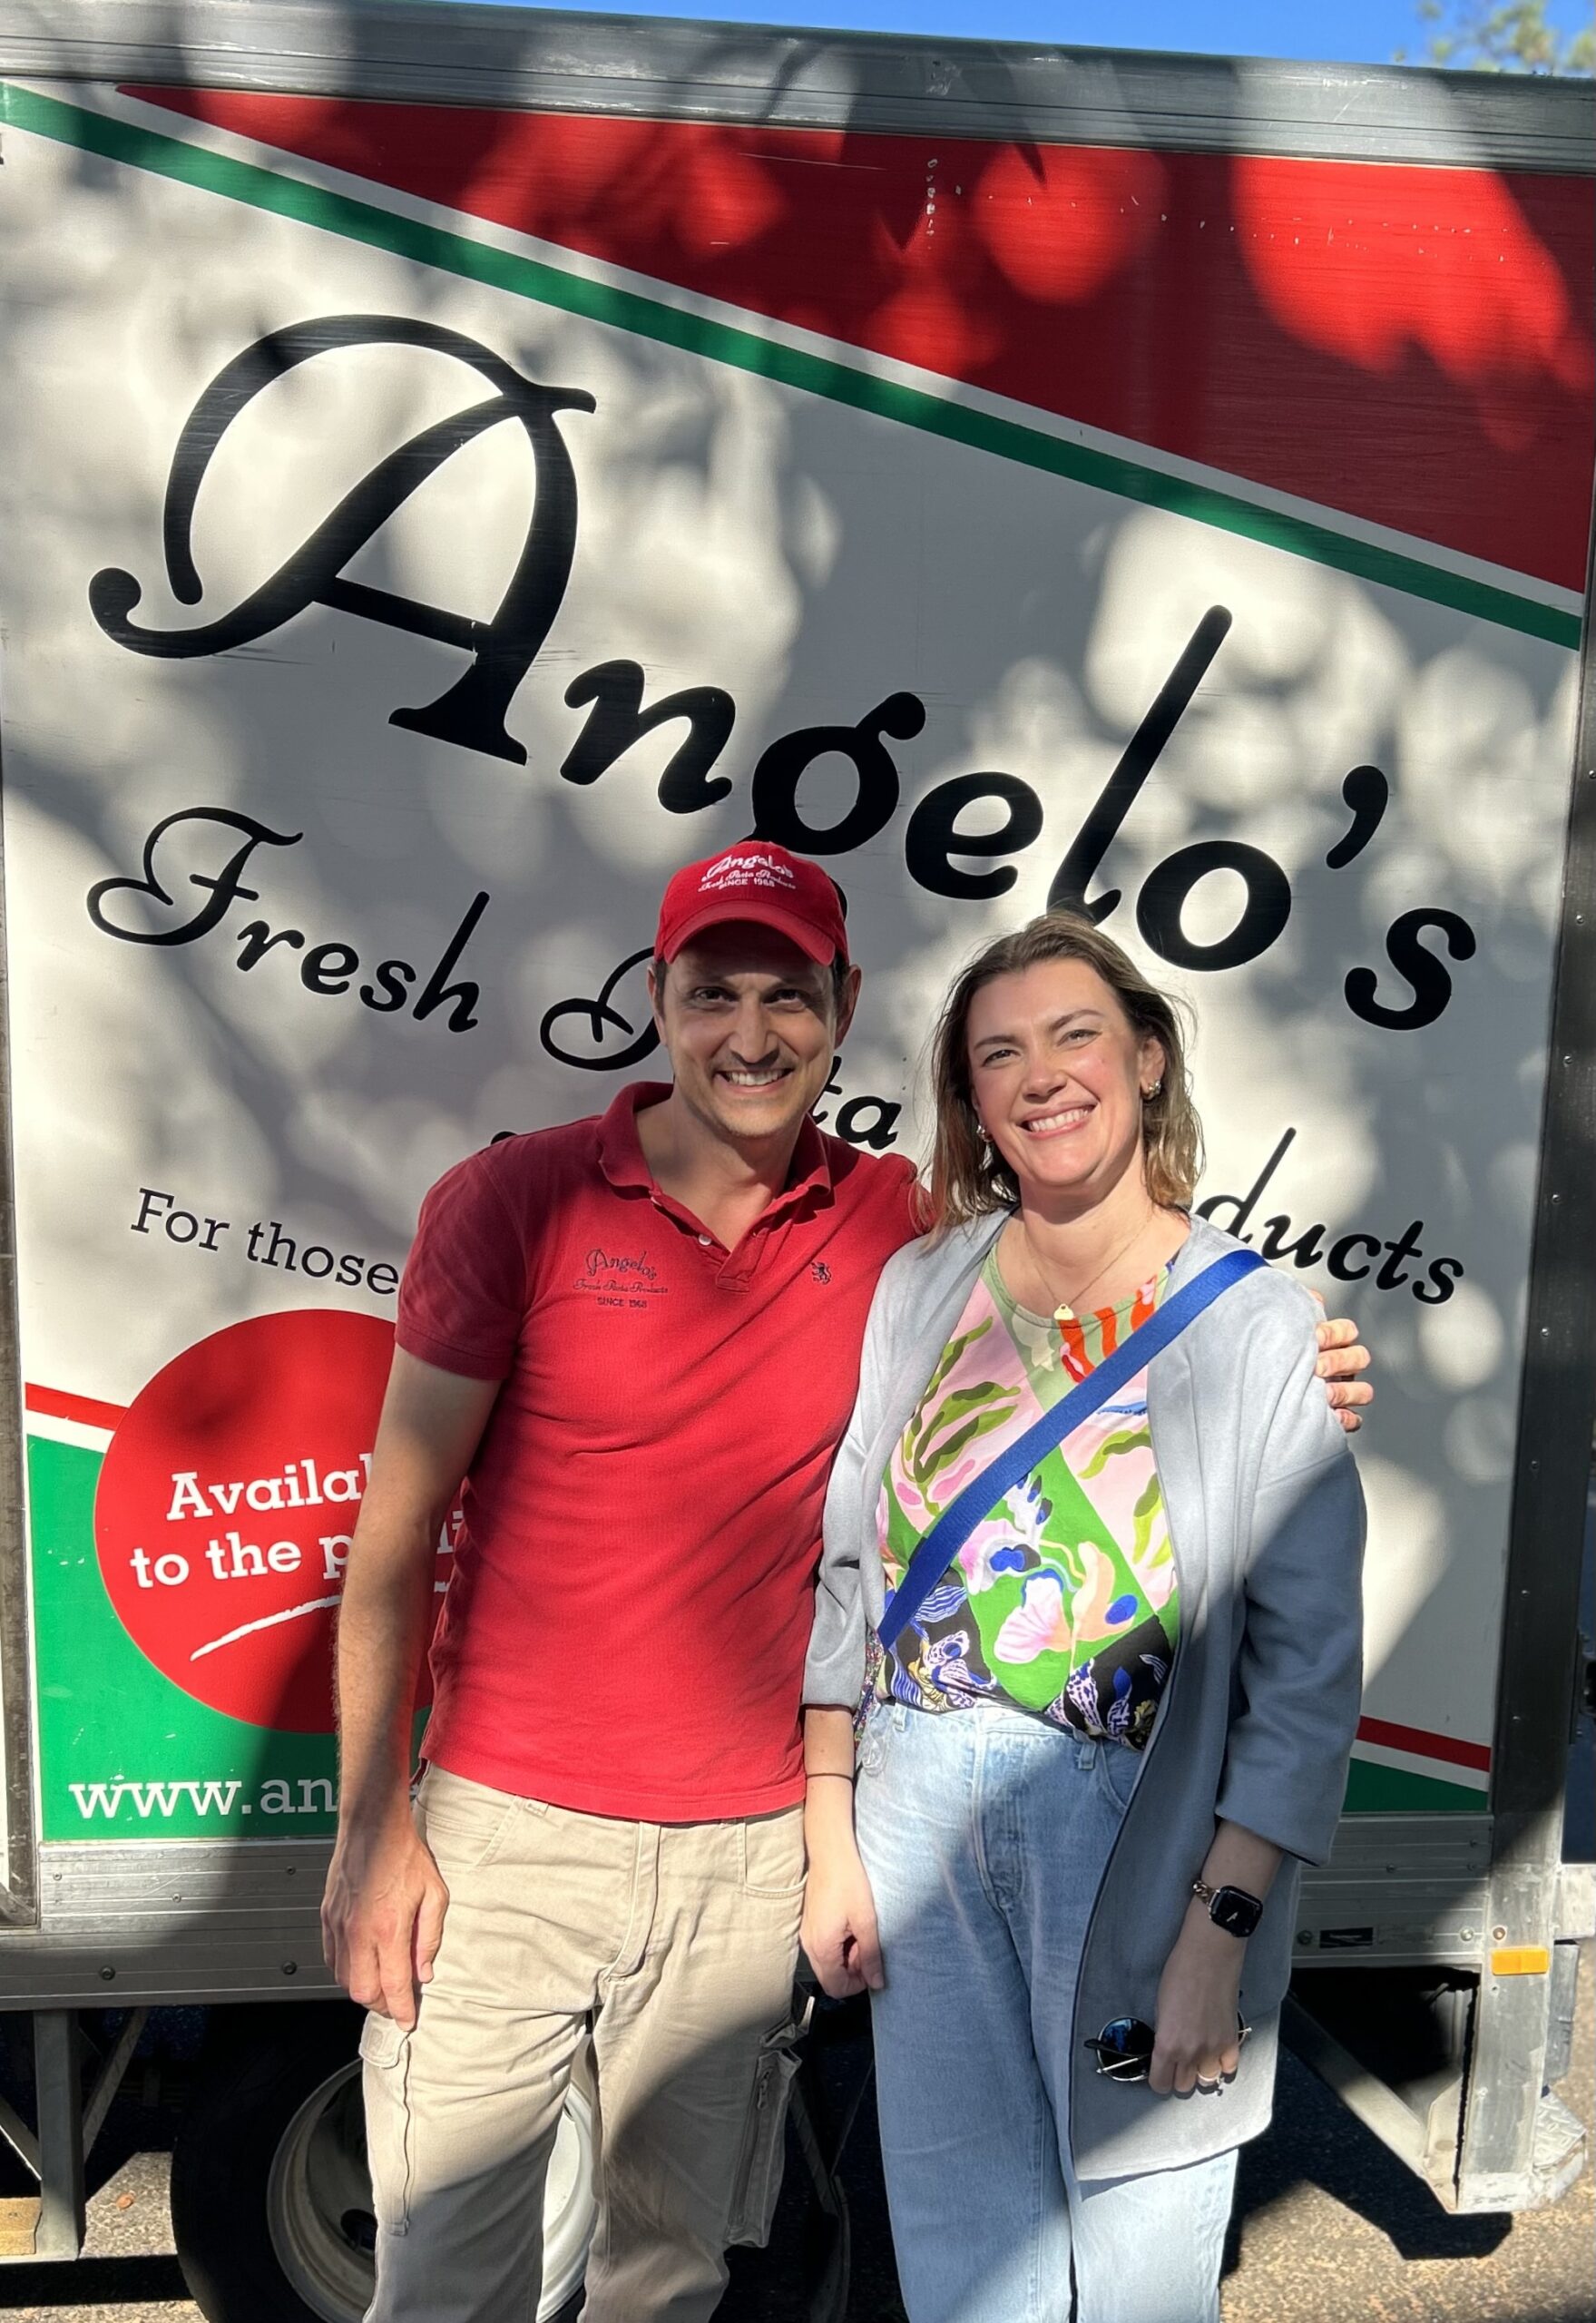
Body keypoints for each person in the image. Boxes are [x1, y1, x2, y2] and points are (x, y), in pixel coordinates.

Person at [319, 843, 1372, 2323]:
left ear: (844, 1007)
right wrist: (372, 1829)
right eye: (713, 993)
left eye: (788, 996)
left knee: (677, 2278)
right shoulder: (555, 1207)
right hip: (547, 1839)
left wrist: (1297, 1359)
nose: (751, 1033)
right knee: (453, 2286)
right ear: (659, 1000)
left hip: (805, 1855)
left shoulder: (903, 1234)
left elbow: (1294, 1644)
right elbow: (404, 1538)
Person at [800, 911, 1366, 2323]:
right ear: (972, 1098)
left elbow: (1305, 1671)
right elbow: (850, 1564)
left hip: (1136, 1850)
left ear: (1150, 1059)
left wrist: (1219, 1937)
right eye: (999, 1054)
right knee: (962, 2249)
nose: (1041, 1076)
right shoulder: (922, 1285)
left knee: (1138, 2248)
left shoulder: (1253, 1323)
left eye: (1076, 1036)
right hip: (914, 1824)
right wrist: (829, 1833)